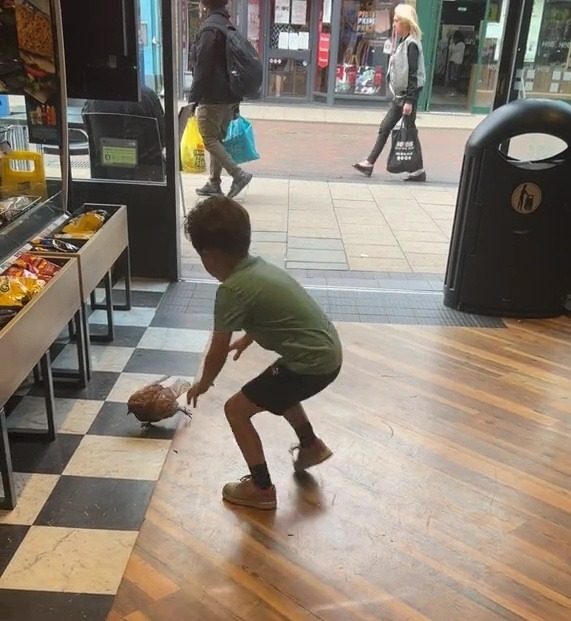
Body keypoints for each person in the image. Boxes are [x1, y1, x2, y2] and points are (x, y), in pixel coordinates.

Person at [184, 196, 343, 510]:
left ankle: (261, 488)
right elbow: (274, 314)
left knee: (236, 410)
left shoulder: (231, 289)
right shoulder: (257, 267)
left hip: (309, 362)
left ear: (210, 255)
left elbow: (217, 350)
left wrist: (204, 382)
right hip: (326, 354)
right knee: (278, 388)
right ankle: (310, 445)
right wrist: (249, 338)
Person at [352, 3, 426, 182]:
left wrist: (409, 101)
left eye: (396, 20)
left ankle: (419, 171)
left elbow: (413, 75)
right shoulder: (403, 41)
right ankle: (369, 163)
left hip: (407, 97)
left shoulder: (412, 45)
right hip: (400, 96)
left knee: (409, 132)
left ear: (406, 22)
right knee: (386, 126)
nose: (394, 24)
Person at [188, 0, 252, 199]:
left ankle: (238, 175)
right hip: (230, 95)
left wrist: (193, 99)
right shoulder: (228, 26)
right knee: (218, 140)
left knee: (209, 139)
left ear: (204, 5)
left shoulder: (209, 29)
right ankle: (214, 183)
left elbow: (202, 68)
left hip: (212, 97)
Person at [82, 83, 166, 150]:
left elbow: (91, 135)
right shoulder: (148, 96)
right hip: (146, 167)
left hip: (105, 168)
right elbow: (162, 139)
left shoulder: (92, 100)